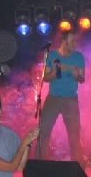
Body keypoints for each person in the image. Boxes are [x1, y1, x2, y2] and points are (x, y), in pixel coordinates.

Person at [35, 30, 86, 167]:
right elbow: (46, 78)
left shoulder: (79, 57)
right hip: (53, 97)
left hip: (71, 99)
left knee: (74, 134)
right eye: (72, 41)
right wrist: (56, 71)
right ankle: (39, 165)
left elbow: (82, 79)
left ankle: (78, 166)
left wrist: (76, 75)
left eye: (75, 41)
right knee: (43, 131)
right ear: (64, 41)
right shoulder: (51, 55)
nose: (75, 44)